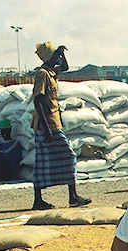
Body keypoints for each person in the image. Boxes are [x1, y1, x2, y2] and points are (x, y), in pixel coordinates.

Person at [31, 42, 91, 210]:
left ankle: (69, 196)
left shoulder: (51, 73)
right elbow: (38, 101)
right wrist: (47, 129)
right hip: (46, 124)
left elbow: (65, 66)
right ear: (49, 58)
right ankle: (68, 197)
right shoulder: (42, 74)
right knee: (65, 156)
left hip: (53, 123)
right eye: (55, 56)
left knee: (47, 161)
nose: (58, 59)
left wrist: (61, 53)